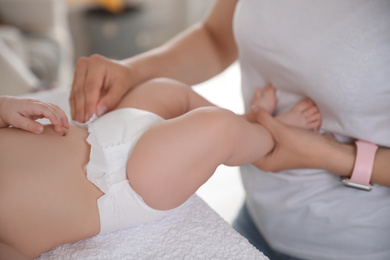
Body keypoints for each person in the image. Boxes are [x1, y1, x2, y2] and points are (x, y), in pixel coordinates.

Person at [69, 0, 390, 259]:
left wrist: (330, 155)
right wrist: (132, 71)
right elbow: (216, 36)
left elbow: (220, 130)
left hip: (348, 240)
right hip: (259, 215)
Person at [0, 79, 321, 259]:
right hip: (123, 185)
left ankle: (247, 125)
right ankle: (271, 134)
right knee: (216, 129)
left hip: (103, 131)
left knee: (167, 90)